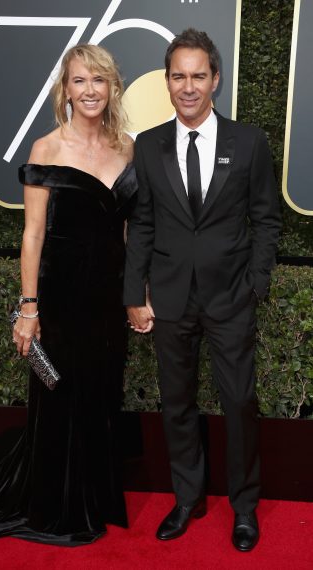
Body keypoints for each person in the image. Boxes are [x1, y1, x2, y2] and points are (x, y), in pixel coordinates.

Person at [0, 44, 137, 546]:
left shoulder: (128, 148)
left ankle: (97, 496)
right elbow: (33, 235)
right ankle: (57, 505)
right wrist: (28, 308)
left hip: (106, 300)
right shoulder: (46, 148)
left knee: (102, 396)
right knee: (59, 398)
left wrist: (134, 291)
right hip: (59, 301)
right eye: (79, 81)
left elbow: (128, 233)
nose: (90, 90)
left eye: (99, 80)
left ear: (112, 87)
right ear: (65, 90)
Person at [124, 29, 281, 552]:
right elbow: (141, 224)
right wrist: (133, 292)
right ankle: (186, 498)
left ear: (215, 79)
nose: (187, 86)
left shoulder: (250, 141)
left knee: (239, 401)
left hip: (231, 296)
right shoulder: (147, 146)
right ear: (166, 82)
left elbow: (266, 218)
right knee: (177, 404)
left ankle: (244, 507)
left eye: (198, 75)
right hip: (169, 298)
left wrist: (256, 283)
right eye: (178, 76)